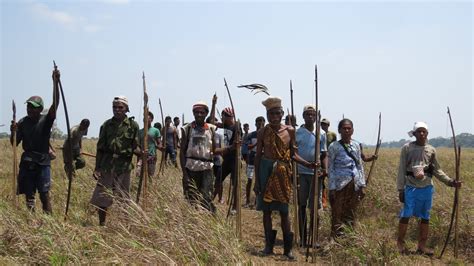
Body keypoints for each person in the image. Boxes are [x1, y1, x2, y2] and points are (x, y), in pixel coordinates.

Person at [254, 96, 316, 260]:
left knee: (284, 211)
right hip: (265, 171)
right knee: (266, 211)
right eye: (271, 114)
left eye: (277, 114)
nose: (274, 117)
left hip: (282, 172)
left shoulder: (290, 131)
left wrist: (308, 164)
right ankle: (268, 246)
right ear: (267, 115)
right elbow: (258, 156)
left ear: (282, 114)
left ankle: (287, 249)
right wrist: (257, 181)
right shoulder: (263, 132)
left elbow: (294, 154)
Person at [396, 122, 461, 255]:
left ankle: (422, 246)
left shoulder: (431, 150)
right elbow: (401, 169)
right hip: (410, 187)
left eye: (424, 131)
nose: (421, 134)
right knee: (406, 215)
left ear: (427, 133)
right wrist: (400, 189)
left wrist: (450, 182)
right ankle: (400, 244)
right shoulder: (407, 148)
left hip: (426, 188)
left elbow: (437, 170)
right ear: (414, 134)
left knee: (425, 217)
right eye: (419, 131)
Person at [10, 69, 60, 214]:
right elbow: (14, 144)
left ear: (40, 109)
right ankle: (30, 221)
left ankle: (49, 220)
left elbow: (55, 104)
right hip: (27, 161)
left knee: (44, 194)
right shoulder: (22, 122)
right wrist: (13, 131)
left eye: (33, 107)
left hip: (43, 161)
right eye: (28, 107)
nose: (30, 109)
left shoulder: (46, 120)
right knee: (29, 195)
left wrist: (55, 82)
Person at [90, 96, 141, 226]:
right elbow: (100, 148)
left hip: (124, 166)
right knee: (103, 197)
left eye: (120, 107)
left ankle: (126, 225)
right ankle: (102, 224)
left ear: (126, 109)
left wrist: (142, 154)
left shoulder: (133, 126)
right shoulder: (106, 125)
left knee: (123, 197)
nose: (117, 110)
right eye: (115, 107)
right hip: (107, 166)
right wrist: (97, 168)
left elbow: (135, 147)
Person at [328, 118, 377, 238]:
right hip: (340, 184)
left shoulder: (356, 145)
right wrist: (332, 187)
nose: (346, 130)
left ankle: (349, 237)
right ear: (339, 130)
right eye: (344, 128)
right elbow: (331, 168)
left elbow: (359, 165)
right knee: (337, 212)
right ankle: (336, 238)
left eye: (349, 128)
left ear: (352, 130)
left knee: (351, 211)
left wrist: (362, 184)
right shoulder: (333, 146)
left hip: (354, 183)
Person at [295, 105, 328, 246]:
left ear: (316, 117)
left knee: (315, 207)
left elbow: (324, 153)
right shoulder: (298, 133)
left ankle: (313, 239)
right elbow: (293, 153)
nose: (310, 117)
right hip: (301, 173)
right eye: (307, 114)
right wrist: (305, 164)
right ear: (303, 116)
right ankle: (303, 238)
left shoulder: (321, 134)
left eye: (313, 114)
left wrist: (325, 169)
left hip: (316, 175)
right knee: (302, 205)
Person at [180, 101, 220, 212]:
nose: (199, 114)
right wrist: (185, 174)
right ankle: (192, 224)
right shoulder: (187, 129)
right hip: (191, 168)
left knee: (206, 198)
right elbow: (182, 152)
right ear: (193, 113)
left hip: (207, 168)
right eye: (196, 112)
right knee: (191, 198)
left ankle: (206, 223)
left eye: (201, 112)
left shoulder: (211, 129)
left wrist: (232, 147)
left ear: (206, 114)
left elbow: (216, 149)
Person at [216, 107, 241, 212]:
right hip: (226, 159)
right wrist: (213, 104)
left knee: (235, 185)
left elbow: (236, 144)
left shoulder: (236, 126)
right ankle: (208, 202)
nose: (222, 118)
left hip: (234, 159)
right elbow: (213, 122)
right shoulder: (224, 125)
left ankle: (235, 207)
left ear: (229, 116)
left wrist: (222, 150)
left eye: (223, 116)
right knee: (218, 180)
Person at [244, 116, 265, 208]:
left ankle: (257, 202)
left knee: (259, 181)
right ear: (255, 124)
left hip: (262, 160)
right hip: (252, 160)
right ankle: (247, 201)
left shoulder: (266, 135)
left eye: (262, 122)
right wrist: (258, 143)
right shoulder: (251, 135)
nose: (260, 124)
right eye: (258, 122)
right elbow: (248, 147)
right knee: (249, 180)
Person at [136, 112, 161, 179]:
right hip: (142, 156)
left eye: (147, 119)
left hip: (151, 156)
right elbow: (137, 145)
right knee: (139, 174)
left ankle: (149, 188)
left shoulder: (156, 130)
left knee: (150, 175)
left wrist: (160, 147)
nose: (145, 120)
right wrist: (140, 151)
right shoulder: (140, 131)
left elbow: (159, 143)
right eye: (144, 119)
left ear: (152, 120)